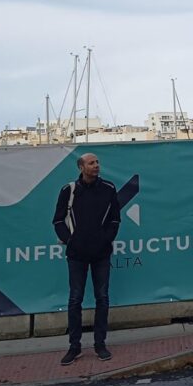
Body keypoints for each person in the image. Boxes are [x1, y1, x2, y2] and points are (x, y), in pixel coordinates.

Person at [53, 153, 121, 365]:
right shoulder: (69, 190)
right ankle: (75, 347)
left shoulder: (109, 188)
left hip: (101, 254)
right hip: (76, 255)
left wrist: (105, 239)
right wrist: (71, 241)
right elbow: (57, 221)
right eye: (91, 163)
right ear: (81, 167)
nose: (96, 166)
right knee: (75, 299)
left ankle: (100, 344)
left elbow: (115, 220)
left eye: (98, 162)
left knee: (102, 297)